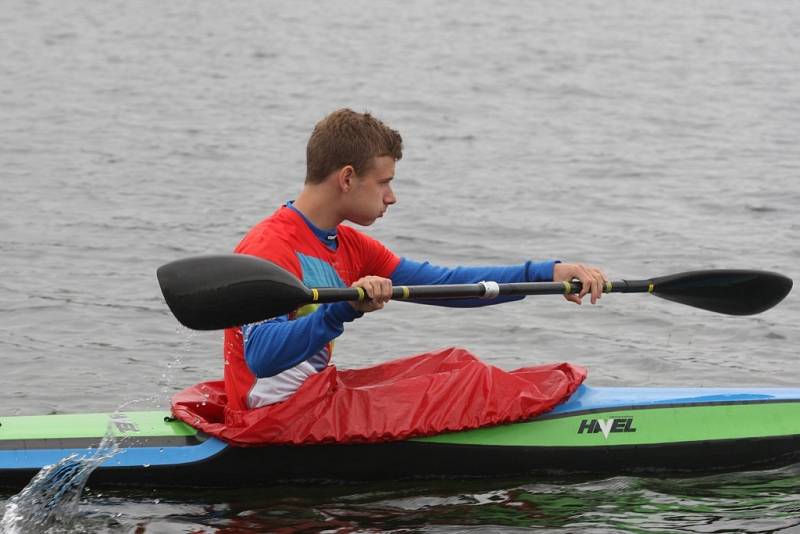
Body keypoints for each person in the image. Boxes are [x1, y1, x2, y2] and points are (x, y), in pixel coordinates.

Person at [223, 109, 607, 412]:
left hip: (311, 399)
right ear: (347, 178)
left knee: (453, 366)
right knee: (468, 384)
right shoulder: (270, 246)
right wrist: (341, 310)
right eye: (384, 182)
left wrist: (546, 274)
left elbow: (447, 285)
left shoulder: (351, 245)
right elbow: (260, 357)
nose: (391, 197)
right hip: (271, 416)